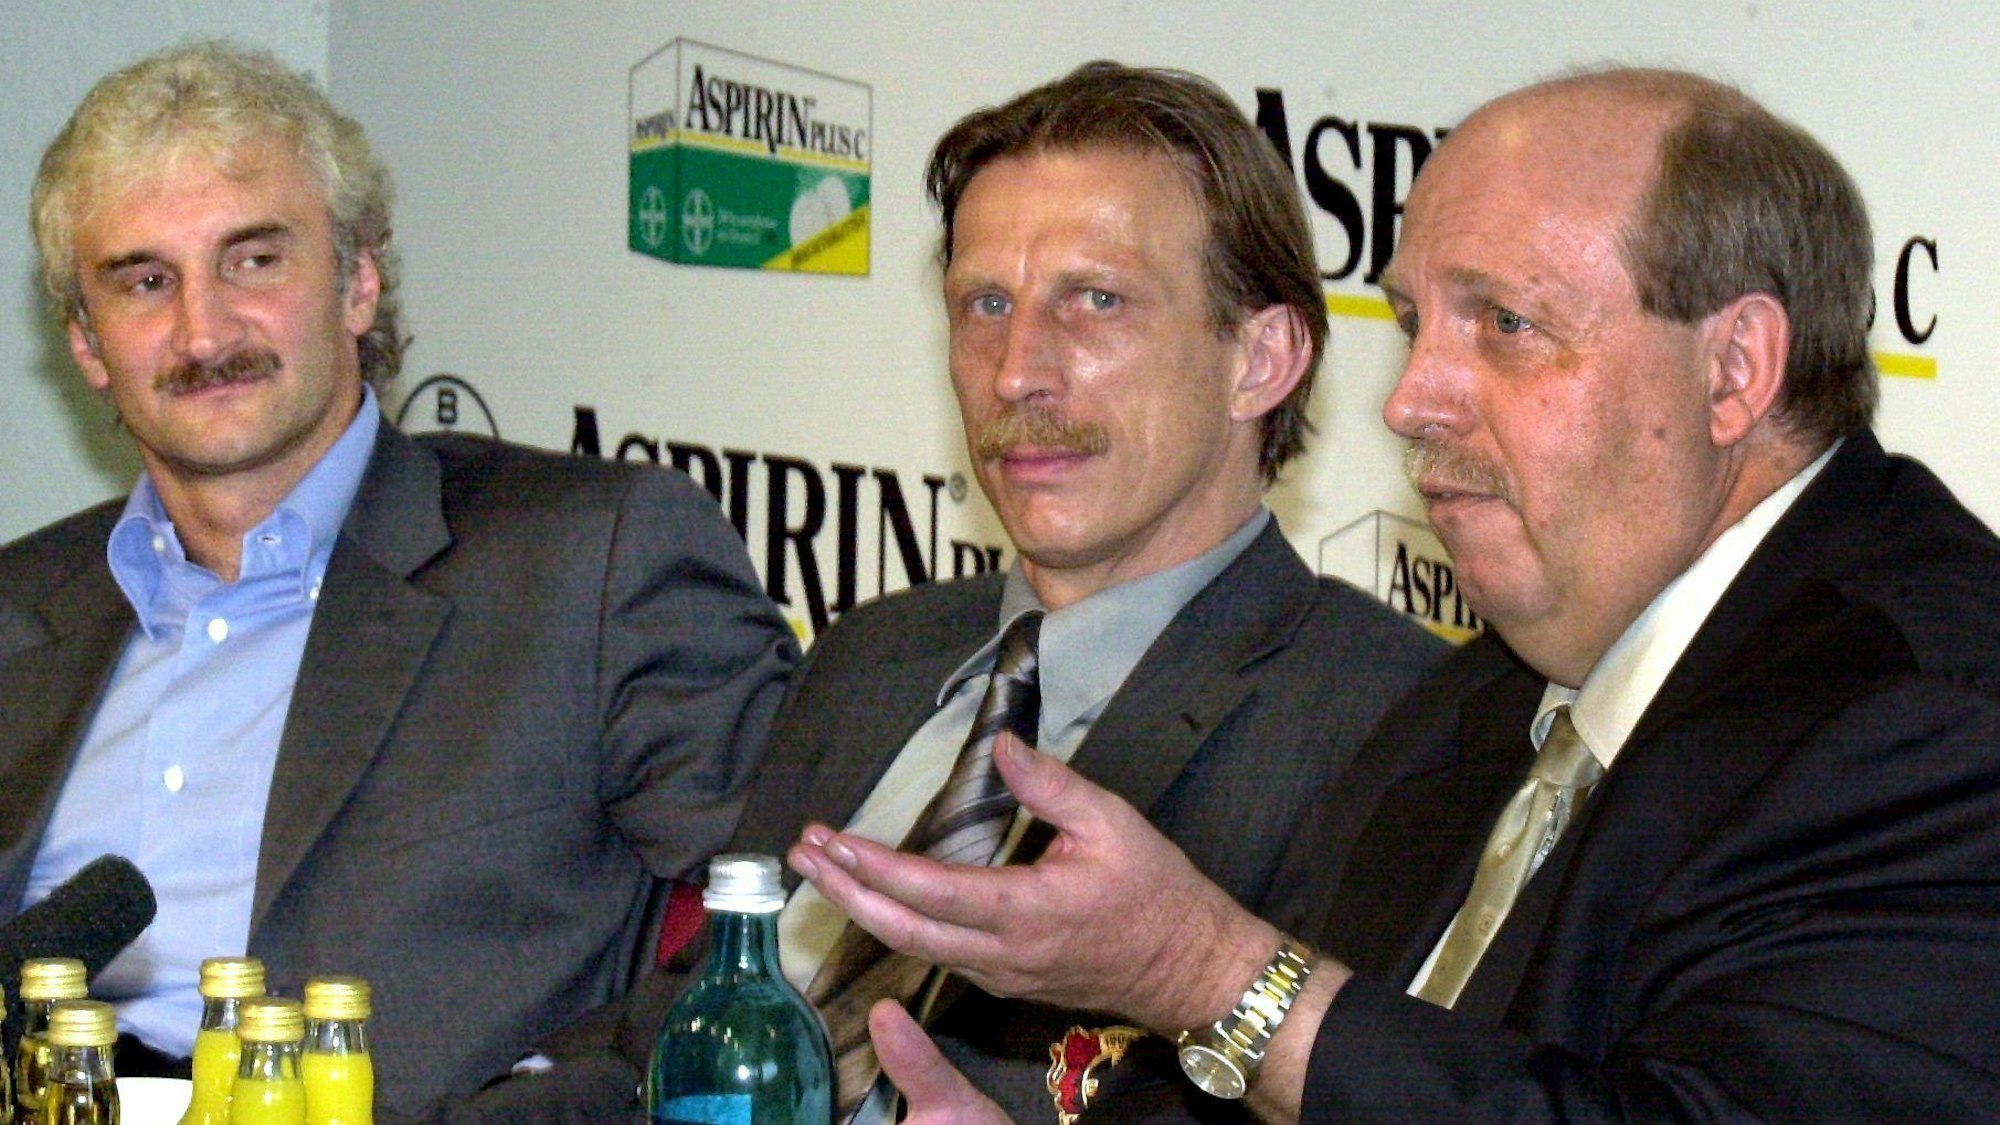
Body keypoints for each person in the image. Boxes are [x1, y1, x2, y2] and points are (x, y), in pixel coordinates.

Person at [791, 66, 2000, 1122]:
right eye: (1418, 323)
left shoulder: (1931, 721)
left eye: (1505, 327)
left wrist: (1206, 973)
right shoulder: (1479, 699)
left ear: (1732, 371)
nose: (1407, 399)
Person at [619, 61, 1440, 1124]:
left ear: (1261, 358)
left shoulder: (1395, 727)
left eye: (1094, 301)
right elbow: (676, 1031)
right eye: (983, 305)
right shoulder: (874, 655)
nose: (1015, 372)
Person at [0, 40, 796, 1121]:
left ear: (358, 281)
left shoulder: (591, 562)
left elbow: (793, 924)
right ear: (88, 344)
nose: (202, 330)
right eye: (146, 281)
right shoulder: (20, 606)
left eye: (254, 260)